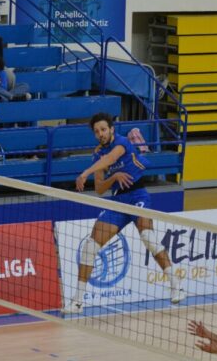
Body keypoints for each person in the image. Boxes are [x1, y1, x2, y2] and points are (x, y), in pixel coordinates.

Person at [66, 112, 185, 313]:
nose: (100, 134)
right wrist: (114, 178)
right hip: (118, 200)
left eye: (103, 129)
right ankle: (78, 301)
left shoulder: (122, 142)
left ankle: (176, 284)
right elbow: (100, 189)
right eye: (97, 131)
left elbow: (111, 158)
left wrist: (84, 173)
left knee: (148, 237)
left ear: (111, 129)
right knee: (90, 246)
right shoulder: (97, 154)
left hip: (138, 195)